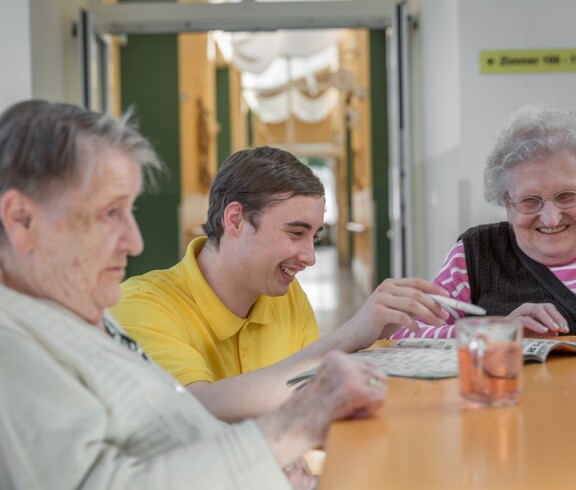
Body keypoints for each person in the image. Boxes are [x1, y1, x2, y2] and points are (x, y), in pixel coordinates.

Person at [0, 99, 392, 489]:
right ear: (21, 220)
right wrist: (290, 429)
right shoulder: (13, 347)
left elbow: (169, 426)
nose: (134, 241)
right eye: (109, 213)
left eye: (130, 210)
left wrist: (266, 462)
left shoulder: (76, 315)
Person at [112, 146, 450, 423]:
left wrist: (374, 337)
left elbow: (309, 391)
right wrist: (349, 336)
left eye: (314, 236)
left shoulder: (286, 296)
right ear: (235, 220)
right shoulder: (141, 304)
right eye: (296, 232)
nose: (309, 256)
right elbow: (197, 408)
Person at [389, 105, 576, 339]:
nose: (551, 217)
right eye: (530, 201)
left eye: (567, 196)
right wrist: (491, 332)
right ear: (508, 205)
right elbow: (403, 332)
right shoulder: (475, 254)